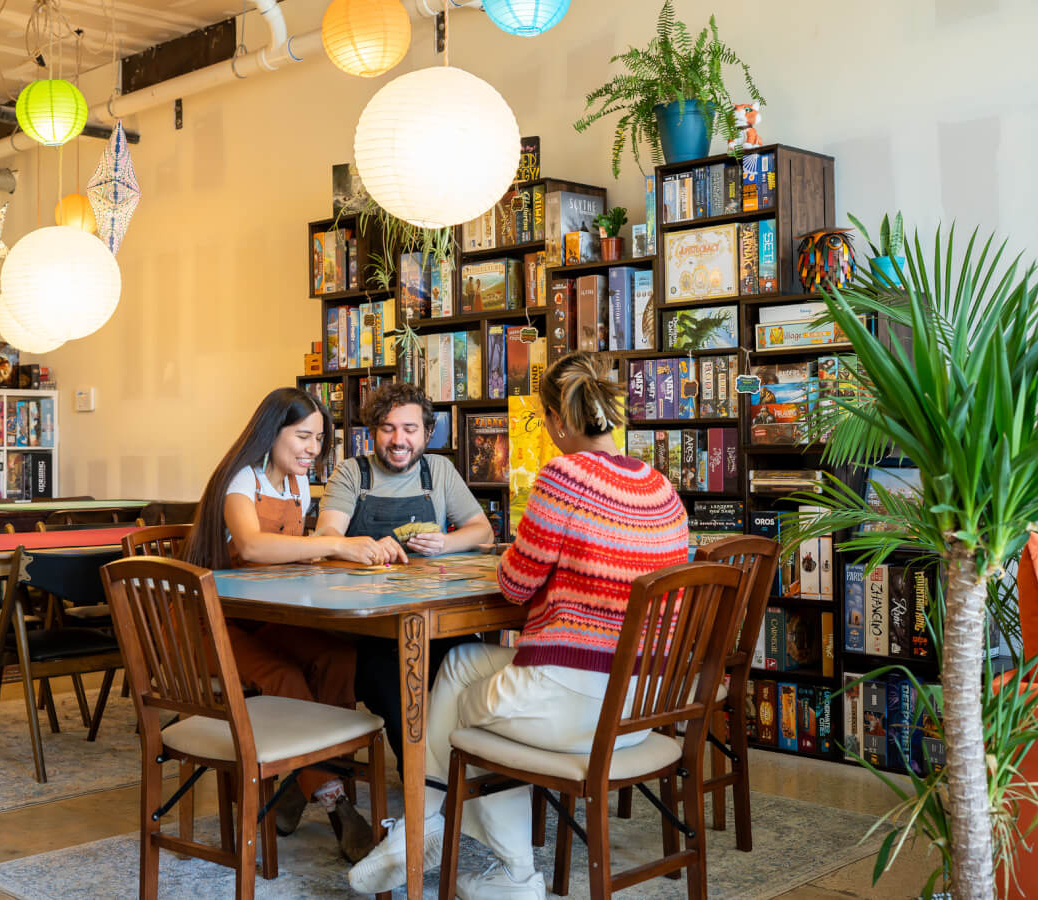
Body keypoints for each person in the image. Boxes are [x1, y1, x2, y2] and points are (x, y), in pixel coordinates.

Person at [348, 352, 690, 898]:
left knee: (464, 718)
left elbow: (515, 585)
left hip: (574, 703)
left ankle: (489, 860)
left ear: (556, 420)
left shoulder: (565, 477)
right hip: (641, 703)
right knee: (458, 666)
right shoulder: (661, 487)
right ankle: (429, 829)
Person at [186, 387, 397, 863]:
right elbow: (254, 547)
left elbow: (294, 560)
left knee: (339, 655)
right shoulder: (242, 478)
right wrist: (336, 547)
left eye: (319, 439)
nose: (312, 449)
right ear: (271, 433)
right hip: (217, 625)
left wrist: (343, 548)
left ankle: (299, 787)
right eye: (303, 436)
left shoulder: (298, 485)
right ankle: (339, 805)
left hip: (265, 617)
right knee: (286, 677)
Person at [313, 382, 497, 772]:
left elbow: (482, 532)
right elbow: (327, 537)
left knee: (471, 663)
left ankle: (466, 777)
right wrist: (361, 545)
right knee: (393, 683)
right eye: (388, 428)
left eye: (410, 430)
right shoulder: (352, 473)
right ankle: (423, 785)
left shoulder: (440, 471)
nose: (399, 440)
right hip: (371, 629)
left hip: (435, 621)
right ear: (372, 431)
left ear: (427, 434)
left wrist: (445, 544)